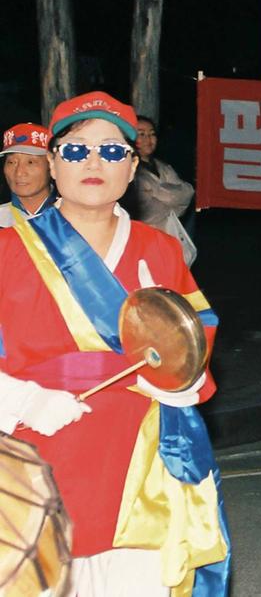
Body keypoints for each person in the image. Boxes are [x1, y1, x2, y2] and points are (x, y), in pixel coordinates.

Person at [0, 91, 230, 595]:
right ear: (53, 164)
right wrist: (20, 399)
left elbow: (197, 331)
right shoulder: (6, 249)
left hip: (140, 462)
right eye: (77, 150)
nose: (94, 163)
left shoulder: (160, 249)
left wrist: (178, 381)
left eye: (112, 151)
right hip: (35, 456)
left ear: (131, 171)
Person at [134, 115, 197, 264]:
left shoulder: (163, 167)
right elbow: (146, 212)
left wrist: (156, 191)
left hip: (168, 239)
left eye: (152, 134)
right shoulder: (128, 169)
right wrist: (172, 200)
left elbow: (187, 193)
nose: (148, 139)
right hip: (141, 243)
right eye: (141, 134)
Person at [0, 122, 55, 227]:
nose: (19, 172)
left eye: (30, 162)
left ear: (51, 165)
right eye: (12, 162)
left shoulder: (74, 216)